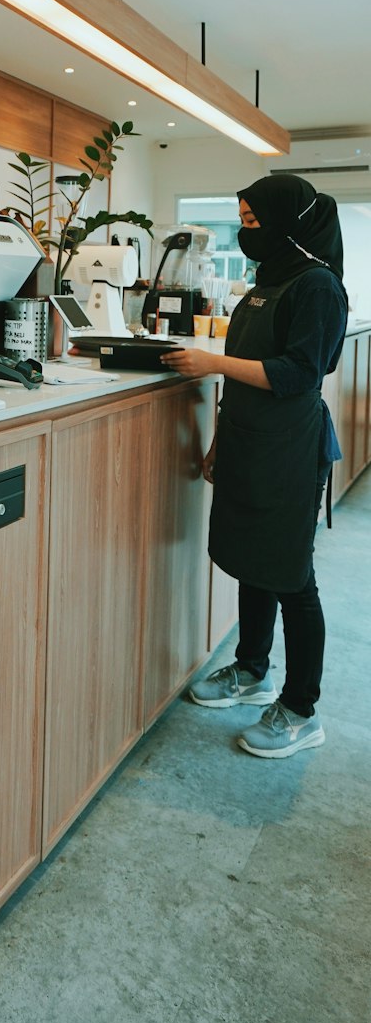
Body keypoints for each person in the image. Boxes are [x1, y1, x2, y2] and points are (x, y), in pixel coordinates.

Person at [160, 174, 347, 758]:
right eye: (241, 221)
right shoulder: (267, 281)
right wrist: (221, 437)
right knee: (251, 561)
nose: (247, 231)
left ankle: (300, 708)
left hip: (290, 448)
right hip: (248, 440)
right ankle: (250, 669)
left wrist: (210, 362)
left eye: (254, 221)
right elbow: (247, 366)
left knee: (291, 574)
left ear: (289, 221)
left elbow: (297, 373)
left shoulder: (317, 286)